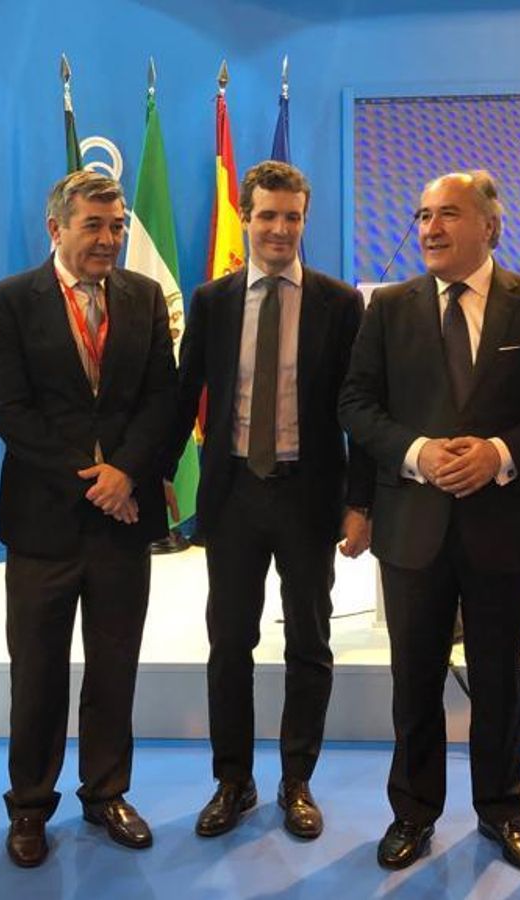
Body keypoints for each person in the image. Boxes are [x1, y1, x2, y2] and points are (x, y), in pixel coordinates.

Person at [339, 170, 520, 871]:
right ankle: (412, 814)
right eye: (421, 216)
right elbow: (356, 406)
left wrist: (501, 454)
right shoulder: (387, 307)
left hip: (501, 528)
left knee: (499, 680)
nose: (430, 229)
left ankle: (503, 812)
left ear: (491, 225)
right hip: (412, 529)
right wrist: (418, 453)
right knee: (413, 682)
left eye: (447, 214)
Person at [169, 161, 373, 841]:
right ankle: (233, 782)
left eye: (292, 217)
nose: (280, 229)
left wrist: (361, 502)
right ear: (247, 219)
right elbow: (183, 396)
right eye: (267, 216)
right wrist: (160, 476)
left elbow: (361, 411)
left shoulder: (340, 304)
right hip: (232, 497)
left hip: (309, 496)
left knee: (310, 643)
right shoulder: (213, 301)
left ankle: (297, 781)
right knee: (230, 643)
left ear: (303, 222)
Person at [0, 170, 177, 867]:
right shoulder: (10, 302)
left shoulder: (145, 296)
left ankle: (106, 794)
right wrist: (96, 482)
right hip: (44, 523)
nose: (109, 238)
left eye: (118, 224)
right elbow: (11, 412)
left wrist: (127, 472)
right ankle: (30, 806)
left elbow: (163, 398)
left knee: (114, 667)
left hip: (124, 520)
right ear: (56, 229)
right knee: (36, 673)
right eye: (94, 225)